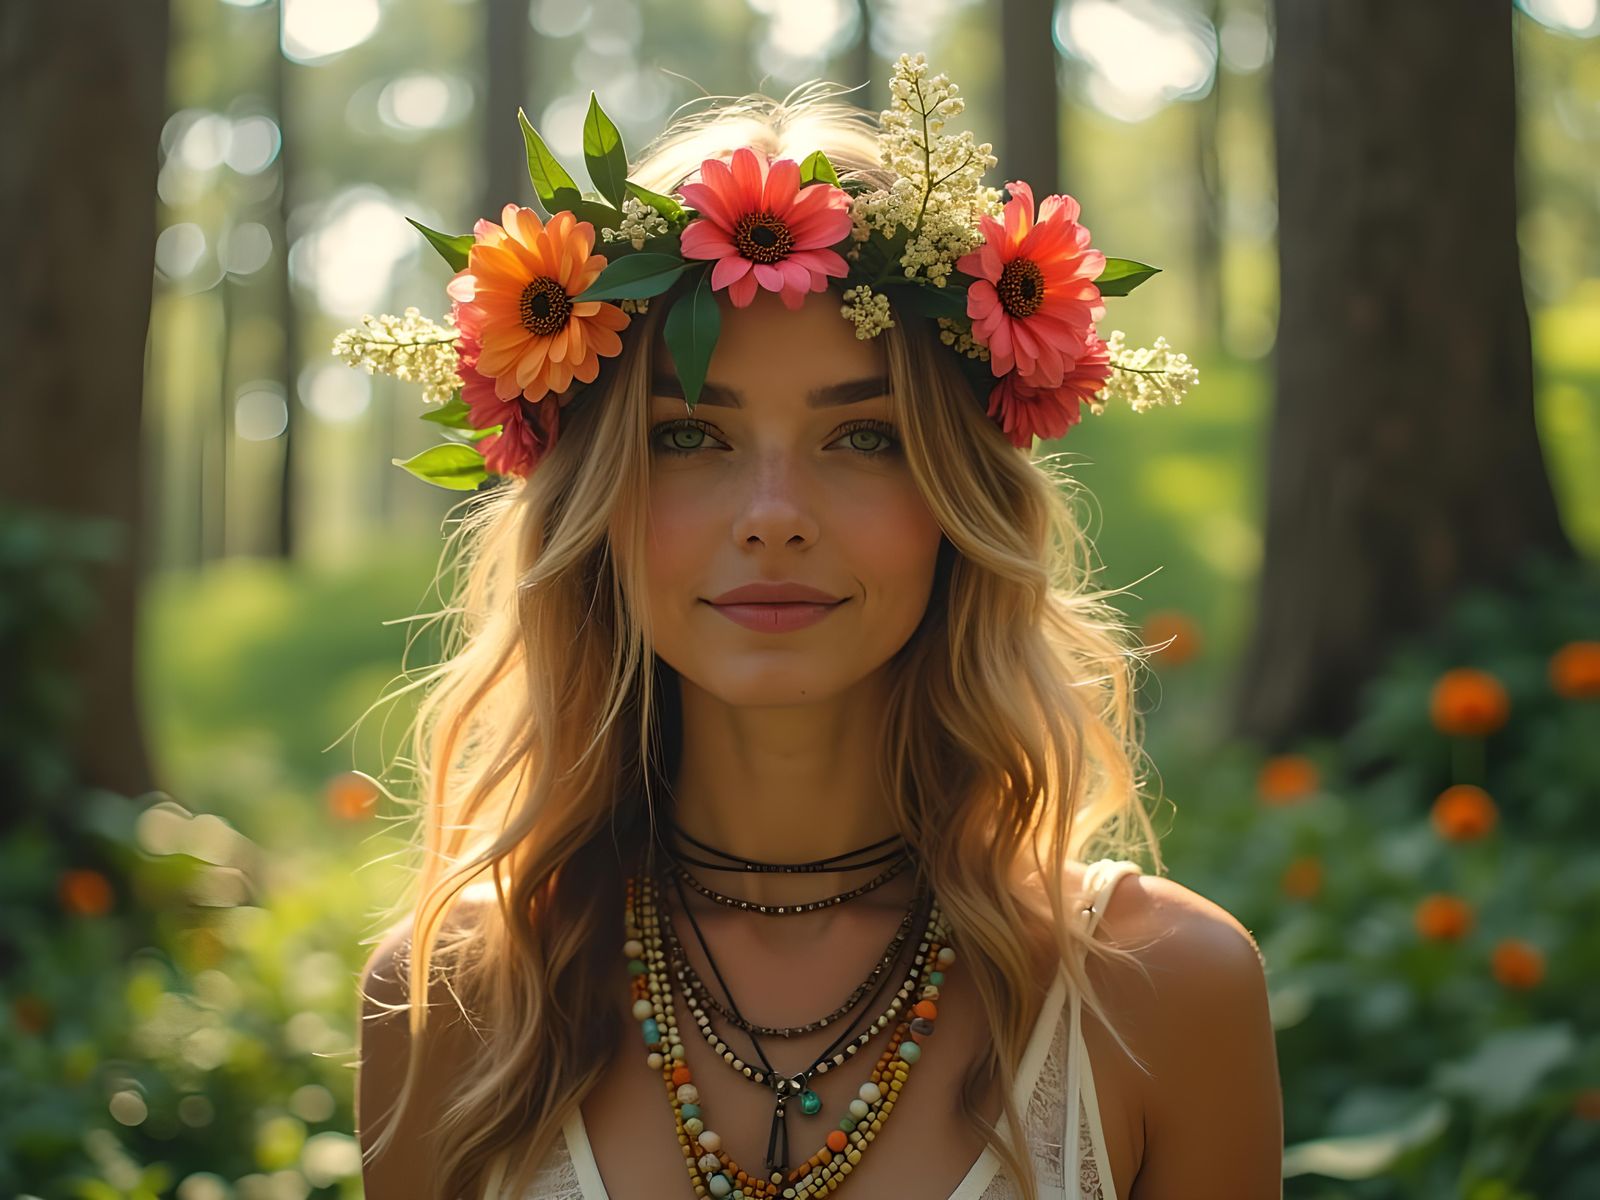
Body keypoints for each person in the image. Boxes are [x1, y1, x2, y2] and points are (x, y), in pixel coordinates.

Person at [350, 58, 1280, 1200]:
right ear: (591, 505)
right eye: (690, 438)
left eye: (865, 437)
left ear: (959, 497)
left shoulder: (1164, 991)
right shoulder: (453, 998)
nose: (775, 519)